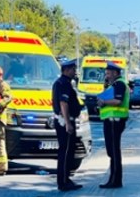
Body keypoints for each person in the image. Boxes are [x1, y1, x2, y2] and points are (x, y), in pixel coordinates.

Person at [96, 61, 129, 189]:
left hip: (115, 121)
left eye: (108, 73)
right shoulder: (113, 85)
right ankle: (113, 179)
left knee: (114, 152)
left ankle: (115, 180)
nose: (107, 75)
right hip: (111, 121)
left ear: (115, 73)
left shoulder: (119, 84)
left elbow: (118, 101)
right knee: (111, 151)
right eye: (106, 73)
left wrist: (103, 101)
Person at [52, 59, 83, 192]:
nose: (75, 72)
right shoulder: (64, 83)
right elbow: (63, 103)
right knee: (65, 152)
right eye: (73, 69)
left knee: (68, 151)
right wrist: (68, 123)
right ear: (66, 70)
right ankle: (63, 182)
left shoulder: (61, 83)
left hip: (64, 120)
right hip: (65, 121)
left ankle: (66, 179)